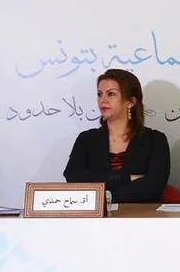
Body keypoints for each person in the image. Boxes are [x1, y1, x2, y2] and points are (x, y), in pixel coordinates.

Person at [63, 69, 170, 203]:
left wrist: (107, 196)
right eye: (99, 94)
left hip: (141, 213)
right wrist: (126, 178)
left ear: (131, 102)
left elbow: (154, 185)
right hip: (97, 215)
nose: (103, 100)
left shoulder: (155, 140)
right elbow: (73, 176)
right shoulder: (86, 139)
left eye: (111, 94)